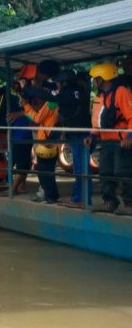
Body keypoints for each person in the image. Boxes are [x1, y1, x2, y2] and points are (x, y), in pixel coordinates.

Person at [86, 62, 132, 214]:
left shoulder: (121, 92)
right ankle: (109, 202)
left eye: (95, 78)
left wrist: (129, 136)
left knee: (124, 172)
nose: (93, 81)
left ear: (103, 78)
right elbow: (96, 120)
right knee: (105, 172)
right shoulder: (99, 95)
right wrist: (92, 136)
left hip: (121, 141)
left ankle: (129, 205)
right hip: (106, 141)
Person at [53, 70, 92, 208]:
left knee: (80, 168)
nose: (57, 85)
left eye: (58, 83)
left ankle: (79, 200)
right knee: (83, 167)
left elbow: (52, 100)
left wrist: (27, 89)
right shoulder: (82, 90)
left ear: (64, 82)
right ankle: (83, 198)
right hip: (83, 132)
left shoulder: (66, 93)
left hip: (77, 134)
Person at [23, 96, 60, 203]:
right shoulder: (56, 102)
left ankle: (50, 197)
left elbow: (37, 118)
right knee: (48, 171)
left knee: (44, 171)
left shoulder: (50, 103)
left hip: (46, 142)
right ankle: (53, 195)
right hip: (53, 139)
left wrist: (26, 106)